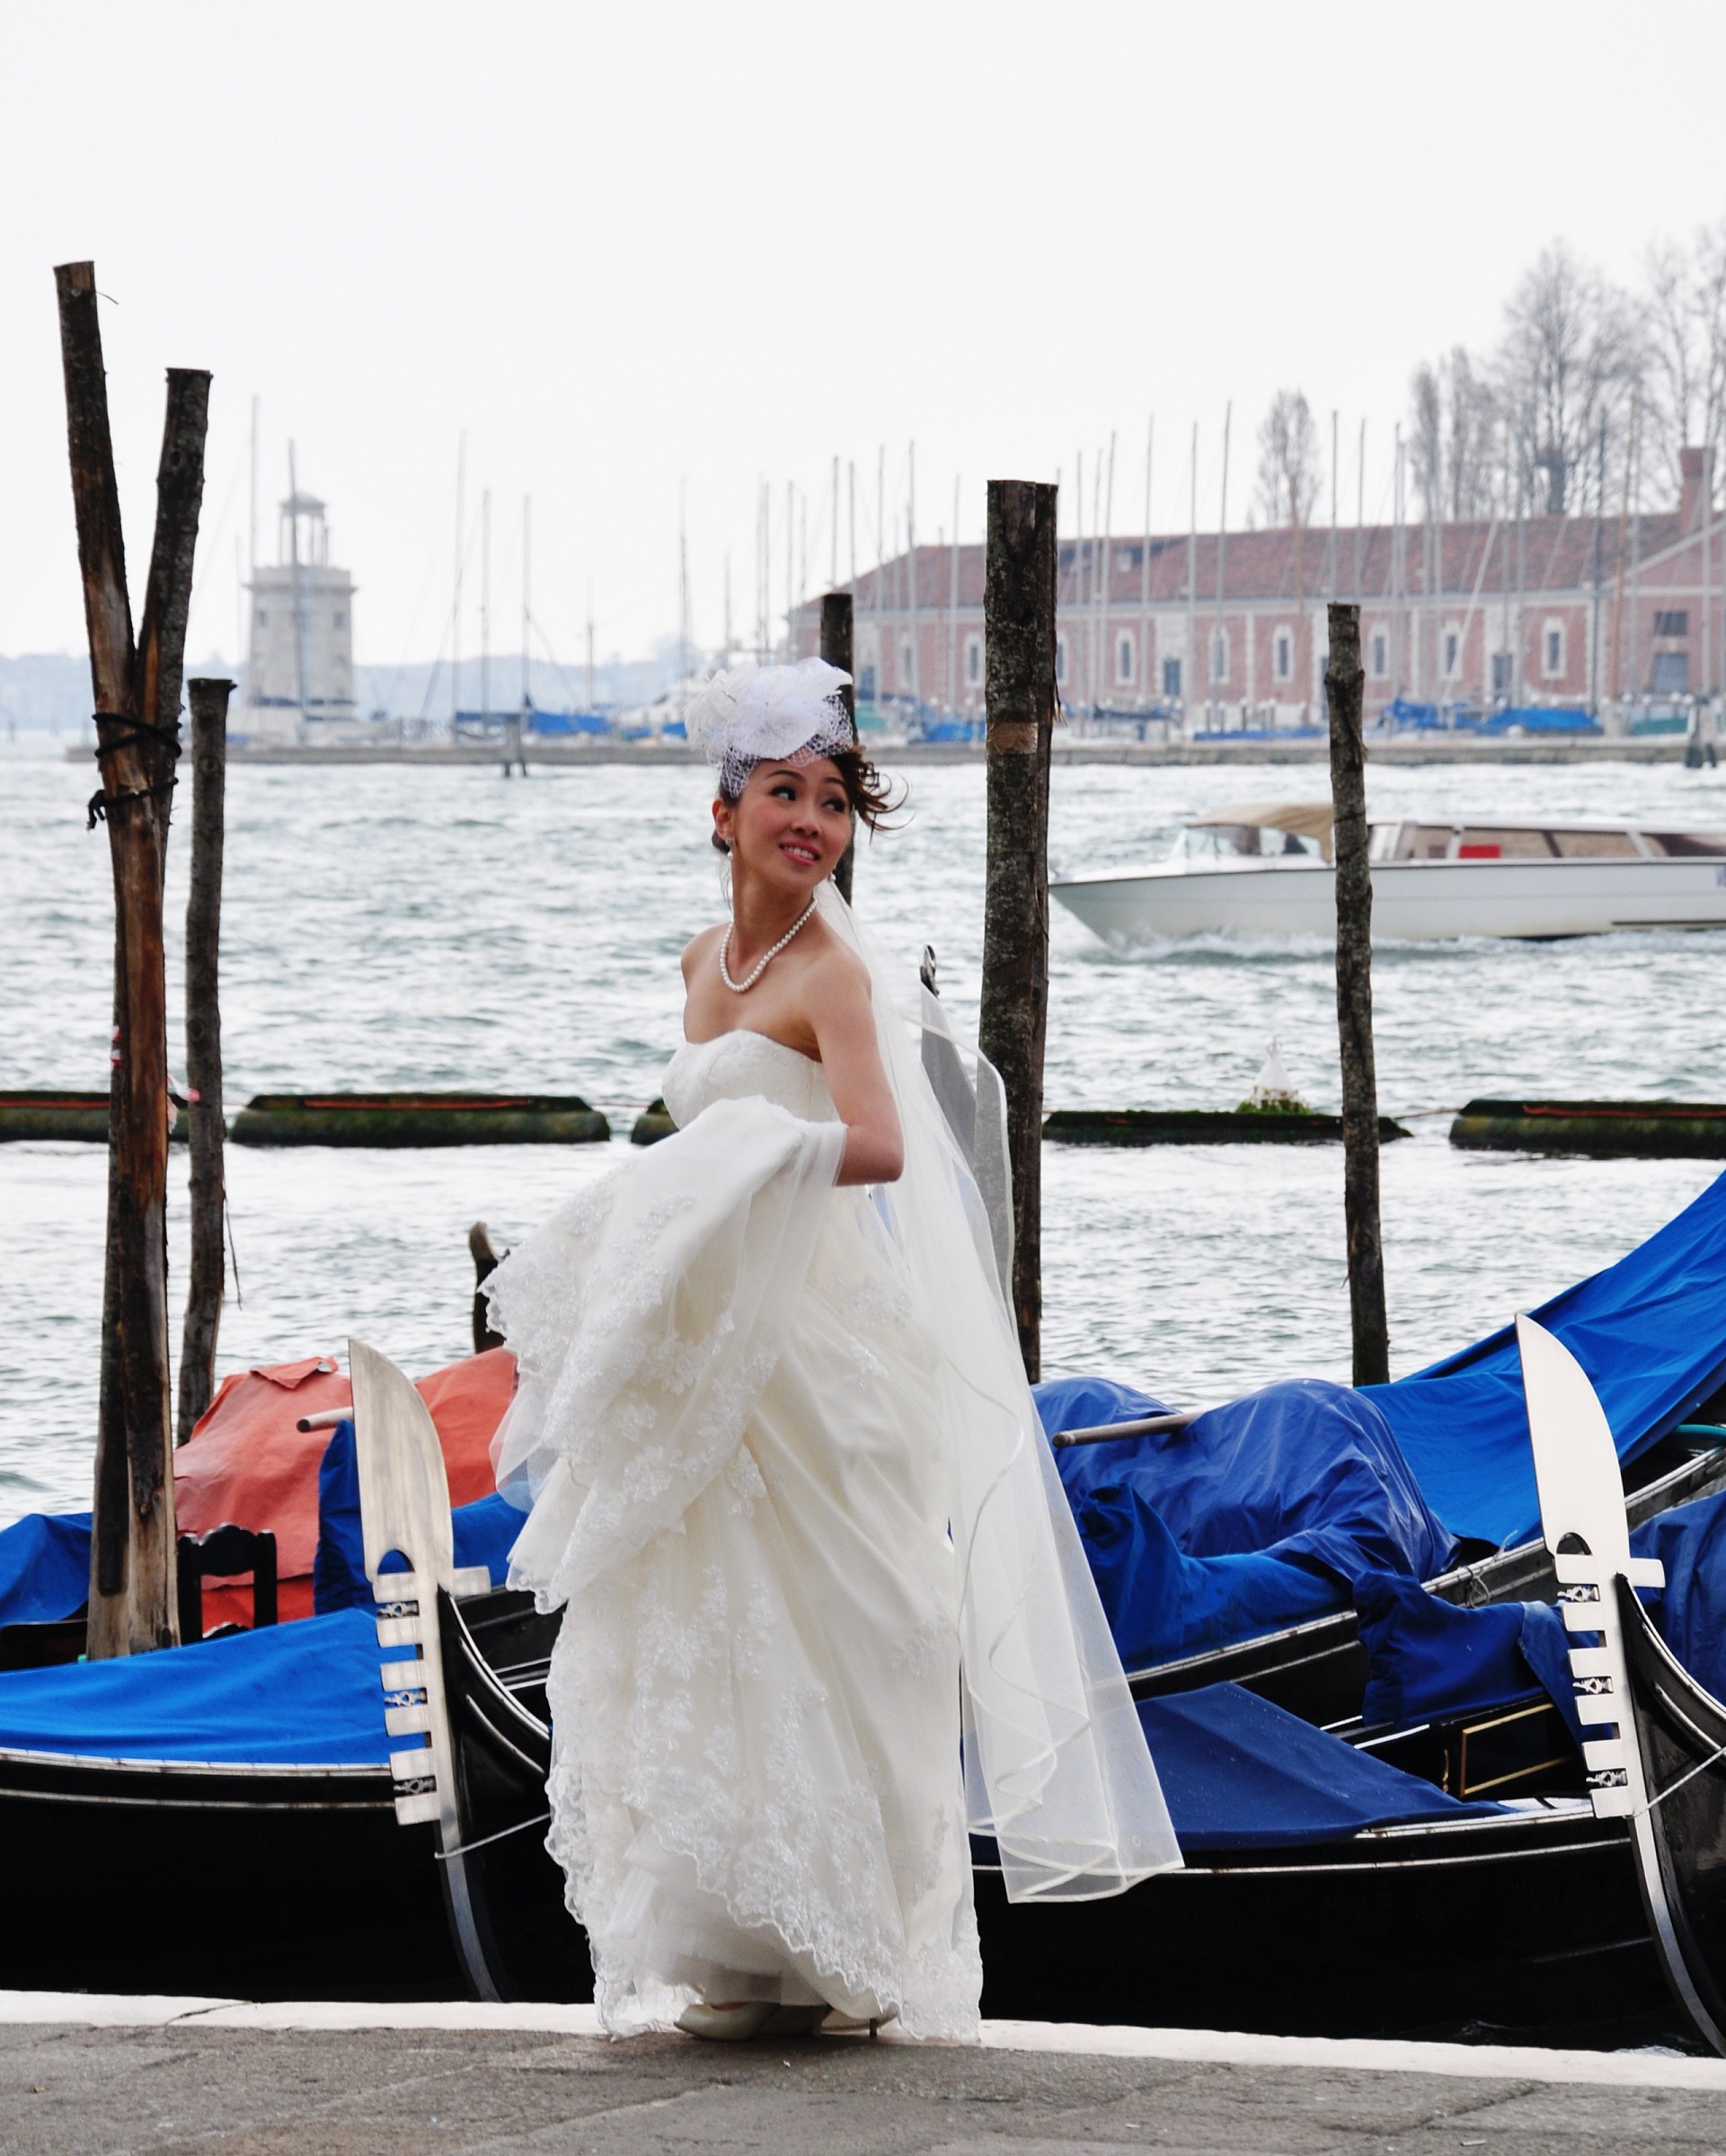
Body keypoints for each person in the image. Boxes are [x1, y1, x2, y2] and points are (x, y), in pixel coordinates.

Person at [485, 658, 1179, 2043]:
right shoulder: (701, 964)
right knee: (701, 1617)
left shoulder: (833, 973)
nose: (811, 819)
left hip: (817, 1340)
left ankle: (849, 1933)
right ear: (725, 809)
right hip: (715, 1337)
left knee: (849, 1616)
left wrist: (745, 1149)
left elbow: (877, 1144)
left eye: (833, 799)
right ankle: (735, 1942)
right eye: (784, 793)